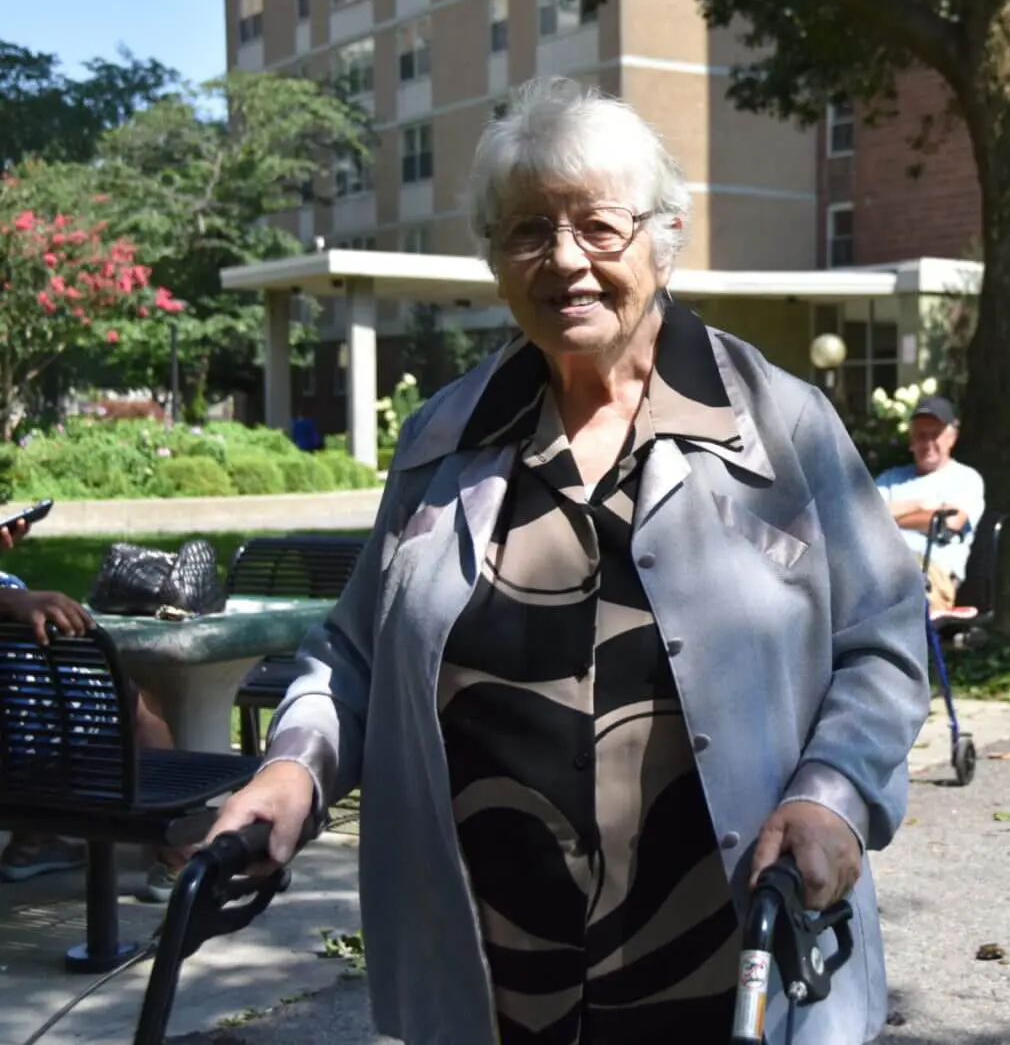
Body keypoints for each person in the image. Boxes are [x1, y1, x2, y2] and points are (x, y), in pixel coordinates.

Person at [207, 76, 929, 1045]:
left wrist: (831, 798)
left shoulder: (778, 426)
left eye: (599, 227)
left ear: (664, 238)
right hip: (493, 981)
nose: (564, 262)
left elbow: (880, 643)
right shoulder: (442, 441)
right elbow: (354, 657)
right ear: (495, 259)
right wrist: (290, 772)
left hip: (728, 966)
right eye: (527, 231)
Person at [0, 518, 191, 899]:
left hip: (17, 736)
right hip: (23, 748)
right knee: (136, 703)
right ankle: (178, 859)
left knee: (50, 704)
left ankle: (31, 843)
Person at [874, 396, 987, 614]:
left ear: (951, 438)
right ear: (911, 440)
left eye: (934, 435)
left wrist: (888, 518)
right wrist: (921, 505)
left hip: (930, 575)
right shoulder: (890, 479)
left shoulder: (965, 478)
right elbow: (863, 518)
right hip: (878, 568)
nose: (927, 443)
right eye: (921, 436)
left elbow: (949, 523)